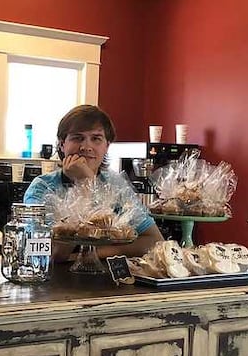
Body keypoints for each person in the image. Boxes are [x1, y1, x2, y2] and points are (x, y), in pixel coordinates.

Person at [24, 104, 163, 261]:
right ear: (62, 144)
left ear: (107, 146)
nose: (86, 147)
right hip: (57, 281)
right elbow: (50, 255)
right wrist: (85, 184)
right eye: (77, 138)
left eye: (96, 139)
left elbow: (154, 240)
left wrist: (93, 254)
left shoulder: (116, 185)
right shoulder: (42, 188)